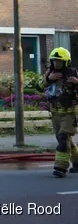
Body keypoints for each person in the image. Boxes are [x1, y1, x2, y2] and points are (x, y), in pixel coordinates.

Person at [42, 47, 78, 177]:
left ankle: (61, 167)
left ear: (66, 62)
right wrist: (49, 79)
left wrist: (76, 83)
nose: (56, 64)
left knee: (63, 139)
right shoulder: (49, 73)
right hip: (55, 113)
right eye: (54, 61)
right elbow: (38, 86)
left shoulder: (73, 73)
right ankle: (77, 161)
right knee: (65, 139)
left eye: (59, 61)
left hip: (69, 113)